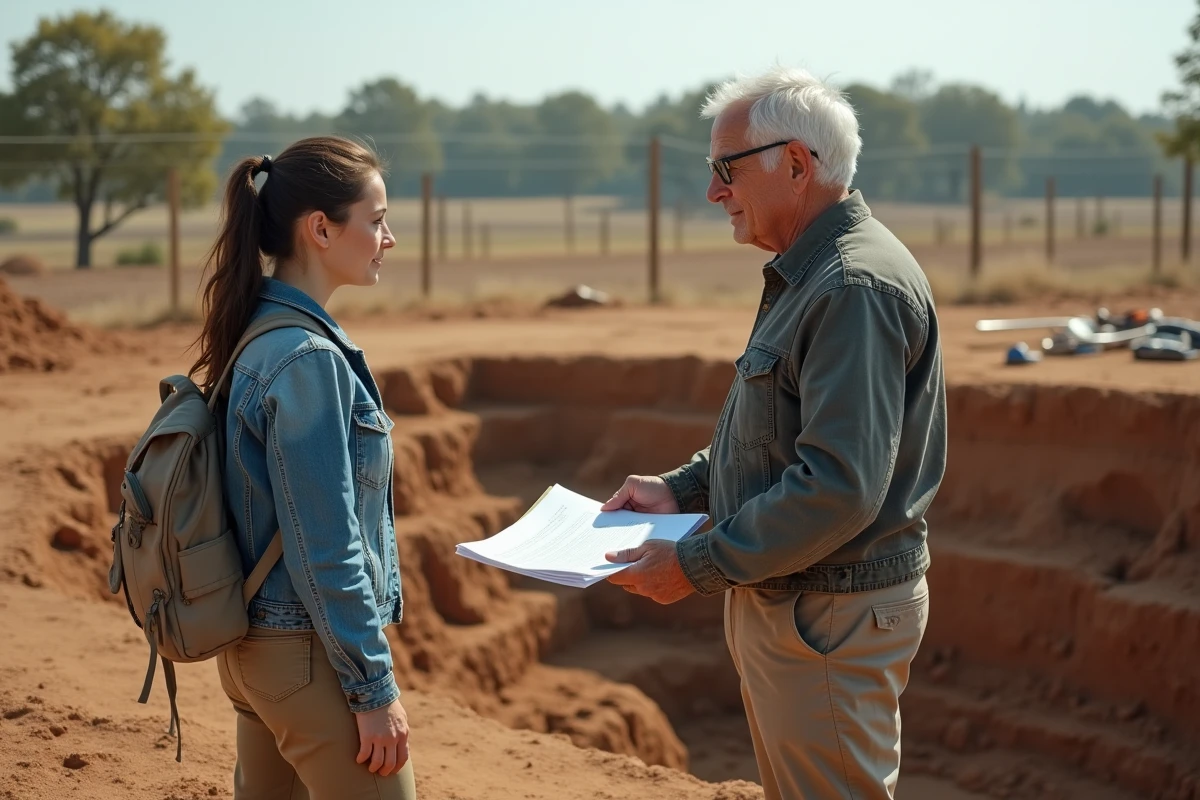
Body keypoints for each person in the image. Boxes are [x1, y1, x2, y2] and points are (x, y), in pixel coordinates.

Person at [601, 67, 947, 800]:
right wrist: (682, 488)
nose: (713, 191)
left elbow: (839, 486)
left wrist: (696, 563)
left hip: (827, 612)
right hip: (807, 602)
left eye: (725, 169)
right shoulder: (818, 274)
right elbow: (780, 436)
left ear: (797, 165)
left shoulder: (851, 286)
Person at [189, 136, 416, 799]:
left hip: (254, 655)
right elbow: (328, 544)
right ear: (320, 228)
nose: (389, 238)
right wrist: (372, 689)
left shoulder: (256, 333)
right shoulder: (307, 358)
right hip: (307, 657)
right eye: (375, 221)